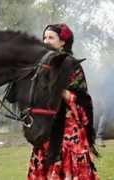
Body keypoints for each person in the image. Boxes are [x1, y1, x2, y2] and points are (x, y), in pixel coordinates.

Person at [27, 23, 99, 179]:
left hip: (68, 133)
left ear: (63, 42)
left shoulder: (71, 65)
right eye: (44, 37)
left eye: (51, 38)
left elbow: (83, 100)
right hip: (46, 130)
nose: (45, 41)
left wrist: (59, 90)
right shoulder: (41, 65)